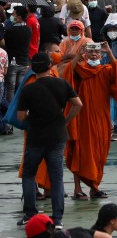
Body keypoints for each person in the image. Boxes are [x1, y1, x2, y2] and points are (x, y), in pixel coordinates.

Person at [17, 52, 83, 231]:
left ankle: (30, 214)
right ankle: (58, 218)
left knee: (29, 175)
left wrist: (31, 115)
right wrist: (66, 120)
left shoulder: (28, 89)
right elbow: (78, 104)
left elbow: (21, 116)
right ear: (50, 67)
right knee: (56, 178)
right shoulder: (62, 83)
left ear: (33, 68)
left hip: (36, 138)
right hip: (57, 136)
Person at [64, 41, 117, 200]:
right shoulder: (79, 69)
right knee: (80, 151)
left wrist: (110, 52)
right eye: (90, 52)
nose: (93, 55)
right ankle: (77, 189)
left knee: (99, 153)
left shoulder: (106, 70)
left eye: (97, 53)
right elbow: (66, 75)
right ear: (85, 54)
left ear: (101, 55)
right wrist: (78, 55)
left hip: (101, 117)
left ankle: (94, 187)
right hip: (82, 117)